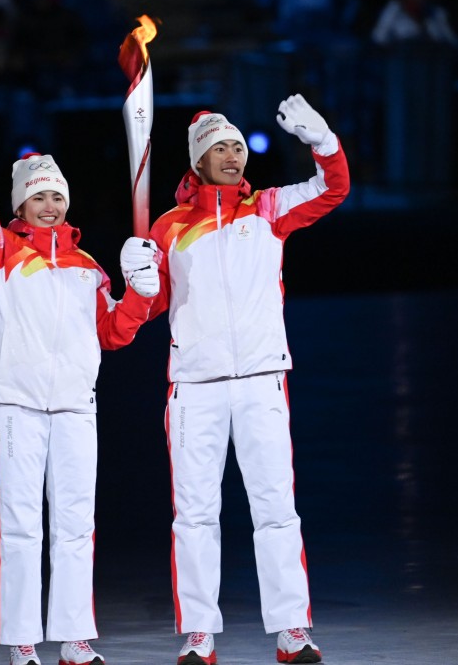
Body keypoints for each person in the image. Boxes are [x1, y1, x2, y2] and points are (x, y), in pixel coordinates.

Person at [0, 85, 160, 665]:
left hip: (76, 408)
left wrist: (142, 295)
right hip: (16, 407)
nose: (50, 205)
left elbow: (113, 334)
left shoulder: (88, 269)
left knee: (76, 525)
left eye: (57, 196)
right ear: (21, 206)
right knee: (21, 527)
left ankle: (75, 639)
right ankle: (23, 641)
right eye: (39, 197)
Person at [141, 95, 350, 664]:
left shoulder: (270, 208)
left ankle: (291, 630)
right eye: (220, 149)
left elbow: (333, 189)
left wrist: (324, 142)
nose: (233, 156)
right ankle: (199, 634)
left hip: (261, 379)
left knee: (276, 507)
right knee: (195, 514)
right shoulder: (168, 228)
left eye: (237, 146)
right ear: (198, 161)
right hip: (195, 386)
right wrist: (138, 278)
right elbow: (150, 306)